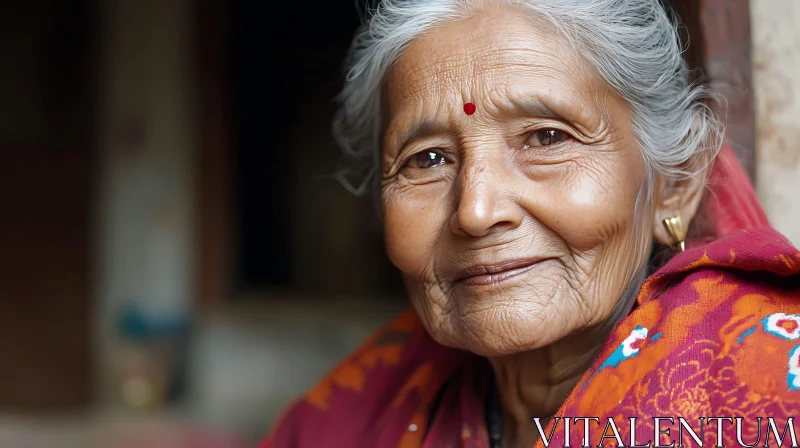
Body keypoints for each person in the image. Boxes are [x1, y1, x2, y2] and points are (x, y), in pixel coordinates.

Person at [262, 0, 800, 446]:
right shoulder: (352, 413)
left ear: (675, 184)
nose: (476, 212)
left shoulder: (770, 396)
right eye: (427, 159)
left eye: (547, 138)